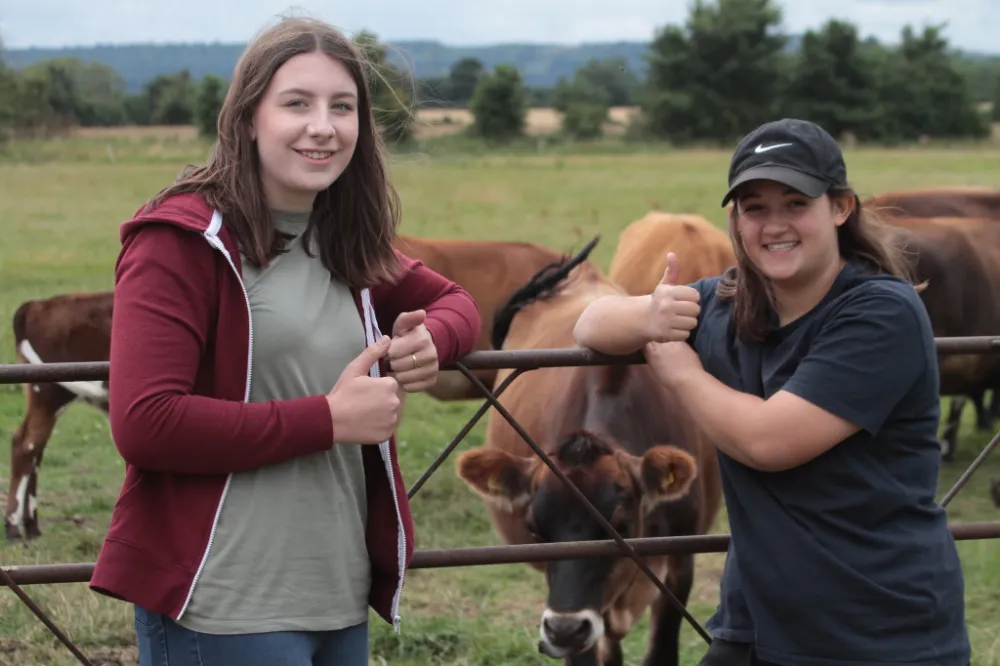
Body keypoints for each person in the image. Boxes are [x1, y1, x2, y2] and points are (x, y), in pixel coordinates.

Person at [89, 16, 482, 666]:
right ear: (248, 117)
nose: (323, 126)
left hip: (338, 598)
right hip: (224, 605)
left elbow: (456, 303)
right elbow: (145, 423)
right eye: (297, 103)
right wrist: (327, 419)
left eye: (342, 107)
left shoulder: (342, 238)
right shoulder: (180, 241)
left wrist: (432, 341)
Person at [573, 118, 971, 666]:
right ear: (735, 220)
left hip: (879, 627)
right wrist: (652, 314)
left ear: (840, 207)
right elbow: (590, 324)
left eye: (796, 203)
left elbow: (769, 442)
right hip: (757, 624)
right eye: (754, 207)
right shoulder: (726, 302)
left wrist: (679, 369)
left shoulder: (881, 312)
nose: (774, 224)